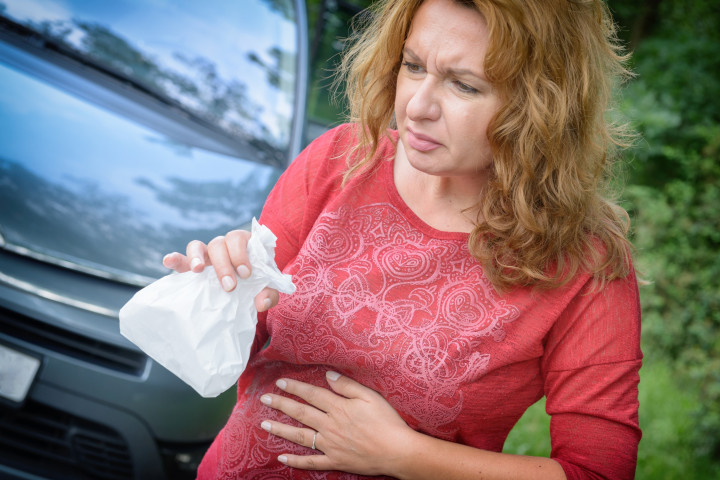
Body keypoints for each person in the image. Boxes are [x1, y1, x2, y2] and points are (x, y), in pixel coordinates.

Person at [163, 0, 642, 478]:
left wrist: (405, 456)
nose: (417, 106)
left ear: (542, 104)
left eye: (464, 85)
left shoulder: (586, 264)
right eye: (413, 66)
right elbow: (239, 354)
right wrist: (222, 288)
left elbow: (598, 472)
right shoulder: (338, 160)